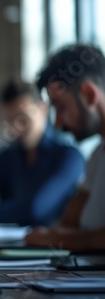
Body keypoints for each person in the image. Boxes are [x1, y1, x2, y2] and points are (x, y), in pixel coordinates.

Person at [0, 80, 85, 226]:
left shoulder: (69, 156)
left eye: (23, 119)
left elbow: (35, 210)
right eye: (9, 121)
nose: (15, 129)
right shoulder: (6, 157)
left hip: (54, 246)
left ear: (43, 109)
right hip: (8, 244)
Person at [25, 44, 105, 250]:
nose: (58, 123)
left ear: (88, 94)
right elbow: (67, 223)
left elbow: (59, 234)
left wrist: (54, 239)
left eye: (61, 107)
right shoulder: (98, 155)